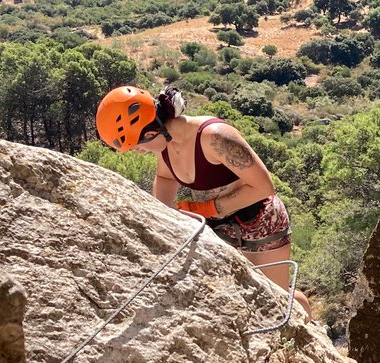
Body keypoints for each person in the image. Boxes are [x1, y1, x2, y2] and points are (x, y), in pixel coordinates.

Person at [95, 85, 312, 319]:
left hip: (261, 222)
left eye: (137, 146)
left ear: (151, 132)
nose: (138, 152)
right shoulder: (165, 146)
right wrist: (164, 213)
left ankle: (309, 320)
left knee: (275, 298)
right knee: (243, 298)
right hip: (220, 227)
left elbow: (263, 186)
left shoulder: (215, 137)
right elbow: (165, 177)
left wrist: (207, 209)